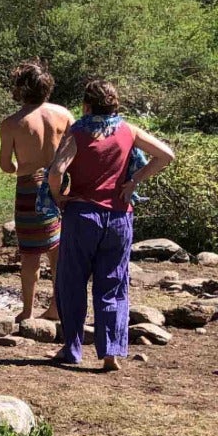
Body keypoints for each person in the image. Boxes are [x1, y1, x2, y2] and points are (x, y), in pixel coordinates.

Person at [46, 79, 175, 371]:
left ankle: (72, 348)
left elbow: (56, 171)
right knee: (113, 286)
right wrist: (133, 182)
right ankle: (110, 354)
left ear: (86, 105)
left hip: (82, 217)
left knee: (71, 284)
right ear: (115, 104)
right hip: (119, 217)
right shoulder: (129, 130)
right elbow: (166, 155)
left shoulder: (77, 132)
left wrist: (58, 196)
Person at [0, 61, 73, 322]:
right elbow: (76, 149)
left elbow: (6, 165)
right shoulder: (63, 114)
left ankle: (27, 310)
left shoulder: (11, 123)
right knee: (58, 250)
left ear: (20, 89)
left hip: (30, 187)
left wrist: (21, 165)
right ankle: (57, 305)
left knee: (30, 253)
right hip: (60, 183)